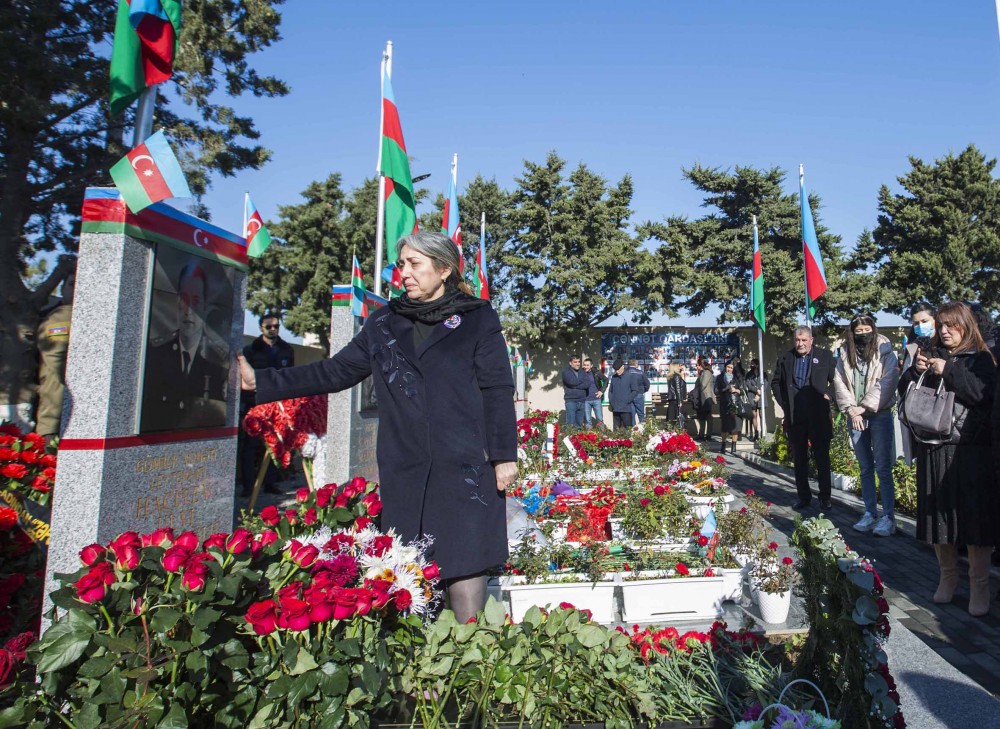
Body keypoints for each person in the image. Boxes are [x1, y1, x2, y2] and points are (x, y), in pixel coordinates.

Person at [238, 231, 517, 624]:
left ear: (444, 270)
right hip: (406, 466)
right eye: (402, 264)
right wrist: (261, 382)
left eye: (415, 264)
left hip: (464, 464)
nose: (405, 273)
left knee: (465, 567)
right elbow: (335, 371)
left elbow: (497, 388)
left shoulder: (476, 318)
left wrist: (504, 456)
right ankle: (424, 658)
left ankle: (473, 656)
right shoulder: (384, 322)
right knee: (413, 571)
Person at [900, 302, 997, 616]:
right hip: (934, 446)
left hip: (971, 451)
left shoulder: (981, 357)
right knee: (938, 519)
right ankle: (948, 577)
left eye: (950, 325)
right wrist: (916, 371)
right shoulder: (931, 354)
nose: (943, 331)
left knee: (975, 521)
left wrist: (949, 370)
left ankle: (979, 585)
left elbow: (982, 395)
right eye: (940, 325)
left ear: (966, 326)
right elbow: (907, 393)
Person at [140, 260, 228, 432]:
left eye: (195, 301)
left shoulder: (218, 361)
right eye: (184, 300)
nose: (189, 311)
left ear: (205, 307)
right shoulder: (156, 353)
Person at [834, 314, 900, 537]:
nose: (863, 334)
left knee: (883, 467)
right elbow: (840, 382)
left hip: (879, 414)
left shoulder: (886, 350)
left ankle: (888, 517)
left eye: (867, 330)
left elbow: (888, 381)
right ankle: (870, 512)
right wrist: (851, 409)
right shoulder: (845, 352)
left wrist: (863, 407)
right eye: (858, 331)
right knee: (865, 467)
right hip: (855, 416)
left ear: (873, 329)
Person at [770, 326, 836, 510]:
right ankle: (803, 497)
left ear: (811, 340)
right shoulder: (786, 357)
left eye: (804, 340)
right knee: (799, 459)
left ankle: (825, 497)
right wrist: (784, 403)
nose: (800, 344)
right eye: (797, 340)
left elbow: (838, 379)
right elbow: (775, 382)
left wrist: (829, 395)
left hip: (818, 414)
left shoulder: (825, 356)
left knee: (822, 458)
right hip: (795, 415)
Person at [239, 314, 295, 496]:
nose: (272, 329)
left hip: (277, 405)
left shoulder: (286, 350)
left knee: (273, 445)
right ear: (261, 328)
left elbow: (289, 376)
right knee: (250, 446)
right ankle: (248, 487)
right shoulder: (251, 350)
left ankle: (270, 483)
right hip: (255, 404)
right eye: (268, 327)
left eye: (276, 326)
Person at [35, 271, 75, 439]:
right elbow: (56, 367)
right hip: (56, 420)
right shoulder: (62, 317)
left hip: (60, 419)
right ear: (62, 289)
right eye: (72, 284)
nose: (78, 288)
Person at [899, 302, 936, 465]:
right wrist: (915, 371)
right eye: (916, 323)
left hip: (938, 416)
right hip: (917, 416)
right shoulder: (912, 349)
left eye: (925, 321)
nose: (920, 326)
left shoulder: (944, 346)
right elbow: (903, 385)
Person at [715, 360, 744, 454]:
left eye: (731, 368)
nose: (729, 369)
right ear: (725, 367)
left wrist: (736, 390)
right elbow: (716, 391)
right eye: (728, 367)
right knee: (725, 426)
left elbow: (743, 391)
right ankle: (723, 445)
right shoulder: (720, 378)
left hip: (735, 404)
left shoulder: (737, 378)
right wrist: (725, 388)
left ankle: (733, 446)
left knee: (736, 426)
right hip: (725, 404)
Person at [607, 358, 643, 430]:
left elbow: (635, 391)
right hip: (616, 408)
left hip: (626, 408)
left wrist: (627, 400)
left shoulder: (630, 376)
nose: (617, 371)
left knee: (627, 430)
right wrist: (612, 401)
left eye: (618, 369)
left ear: (623, 366)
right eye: (615, 370)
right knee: (616, 430)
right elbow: (610, 391)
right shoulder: (614, 377)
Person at [691, 356, 716, 441]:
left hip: (706, 397)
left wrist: (694, 391)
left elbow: (703, 385)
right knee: (701, 416)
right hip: (702, 397)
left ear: (701, 365)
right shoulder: (702, 373)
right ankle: (701, 434)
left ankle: (708, 435)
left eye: (697, 365)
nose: (696, 367)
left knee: (708, 416)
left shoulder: (706, 372)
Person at [561, 355, 587, 428]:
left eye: (579, 362)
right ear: (570, 363)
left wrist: (576, 386)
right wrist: (582, 381)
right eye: (575, 362)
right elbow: (571, 382)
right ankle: (569, 435)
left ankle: (578, 435)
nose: (577, 364)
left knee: (579, 424)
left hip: (582, 400)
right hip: (571, 400)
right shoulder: (566, 371)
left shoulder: (582, 372)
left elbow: (587, 383)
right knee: (570, 424)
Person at [743, 358, 763, 441]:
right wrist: (756, 390)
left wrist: (759, 393)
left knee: (761, 415)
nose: (751, 365)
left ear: (757, 365)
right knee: (754, 415)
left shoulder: (763, 373)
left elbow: (765, 384)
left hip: (761, 397)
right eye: (751, 364)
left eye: (753, 364)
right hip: (751, 396)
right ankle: (756, 433)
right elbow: (748, 385)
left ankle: (762, 434)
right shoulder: (748, 374)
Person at [582, 358, 606, 429]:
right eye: (584, 365)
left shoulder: (596, 373)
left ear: (591, 365)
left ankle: (602, 434)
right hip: (586, 400)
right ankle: (589, 435)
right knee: (588, 421)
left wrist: (601, 391)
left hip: (596, 399)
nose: (586, 367)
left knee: (600, 420)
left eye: (587, 365)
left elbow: (606, 380)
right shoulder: (581, 373)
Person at [628, 358, 651, 425]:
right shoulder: (640, 373)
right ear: (636, 364)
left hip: (629, 395)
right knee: (641, 414)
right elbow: (647, 384)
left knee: (631, 414)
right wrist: (643, 390)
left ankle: (633, 429)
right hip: (639, 394)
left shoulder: (625, 372)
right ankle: (642, 428)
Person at [665, 361, 687, 430]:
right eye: (679, 366)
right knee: (679, 417)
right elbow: (678, 389)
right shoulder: (677, 376)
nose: (680, 367)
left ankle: (671, 432)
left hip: (673, 399)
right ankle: (679, 432)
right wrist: (680, 401)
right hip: (676, 400)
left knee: (672, 418)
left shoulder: (671, 376)